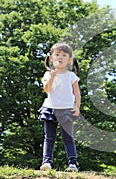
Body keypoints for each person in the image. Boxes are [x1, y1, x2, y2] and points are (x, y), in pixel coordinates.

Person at [38, 42, 81, 172]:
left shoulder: (71, 76)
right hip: (50, 109)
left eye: (64, 55)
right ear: (51, 58)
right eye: (57, 55)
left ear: (69, 60)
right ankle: (47, 162)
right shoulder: (48, 74)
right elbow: (47, 89)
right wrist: (53, 75)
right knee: (49, 137)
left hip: (67, 110)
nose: (60, 57)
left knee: (68, 137)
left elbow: (77, 93)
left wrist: (77, 107)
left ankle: (72, 163)